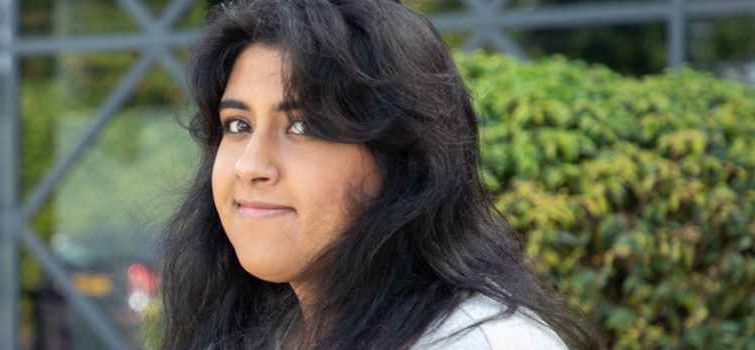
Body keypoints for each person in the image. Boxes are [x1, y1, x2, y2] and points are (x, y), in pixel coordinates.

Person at [158, 0, 599, 349]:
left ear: (401, 157)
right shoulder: (253, 333)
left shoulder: (484, 342)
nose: (250, 166)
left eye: (303, 126)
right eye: (238, 125)